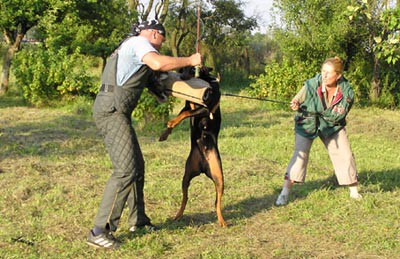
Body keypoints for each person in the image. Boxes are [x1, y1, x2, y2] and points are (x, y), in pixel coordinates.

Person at [87, 20, 202, 249]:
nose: (162, 43)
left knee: (137, 166)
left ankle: (138, 221)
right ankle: (100, 230)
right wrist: (189, 59)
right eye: (162, 37)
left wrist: (186, 78)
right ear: (152, 33)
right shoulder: (139, 43)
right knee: (125, 170)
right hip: (112, 112)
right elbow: (158, 63)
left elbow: (161, 79)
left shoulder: (136, 51)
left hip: (117, 112)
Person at [275, 56, 362, 206]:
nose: (325, 75)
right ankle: (284, 193)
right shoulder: (311, 84)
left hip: (332, 125)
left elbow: (340, 114)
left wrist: (322, 114)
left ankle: (354, 192)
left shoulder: (347, 92)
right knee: (300, 155)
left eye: (329, 73)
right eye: (323, 71)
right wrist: (295, 103)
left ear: (338, 75)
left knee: (345, 154)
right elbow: (298, 99)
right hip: (308, 123)